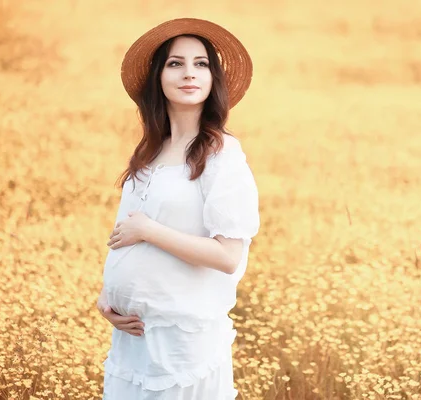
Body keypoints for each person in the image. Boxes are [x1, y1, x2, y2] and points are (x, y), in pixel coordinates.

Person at [95, 18, 260, 399]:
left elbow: (227, 256)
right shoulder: (148, 153)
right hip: (133, 341)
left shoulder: (222, 155)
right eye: (175, 63)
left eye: (201, 64)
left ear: (213, 78)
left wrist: (150, 231)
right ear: (159, 77)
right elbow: (123, 235)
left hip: (182, 344)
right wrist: (108, 298)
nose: (189, 73)